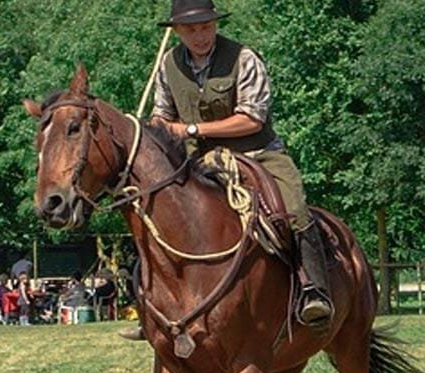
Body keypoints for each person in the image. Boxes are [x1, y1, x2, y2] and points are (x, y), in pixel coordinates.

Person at [120, 0, 332, 340]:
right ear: (177, 31)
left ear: (215, 24)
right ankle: (153, 305)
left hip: (258, 153)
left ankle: (313, 290)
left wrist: (191, 130)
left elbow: (252, 118)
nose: (200, 35)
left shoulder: (244, 59)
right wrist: (156, 128)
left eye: (205, 26)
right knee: (153, 215)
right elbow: (162, 115)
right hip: (198, 161)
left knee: (292, 210)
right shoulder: (167, 64)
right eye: (191, 29)